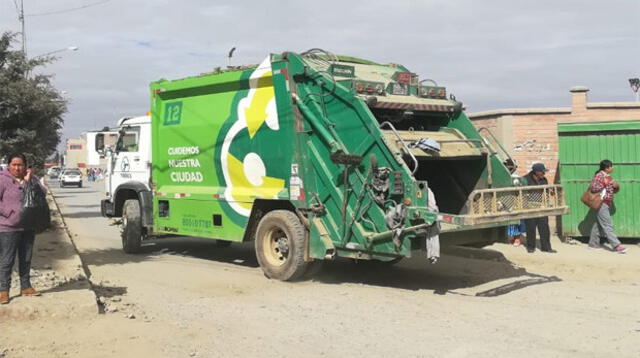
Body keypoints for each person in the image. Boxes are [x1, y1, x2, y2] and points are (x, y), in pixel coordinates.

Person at [0, 153, 44, 304]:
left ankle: (26, 287)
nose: (17, 168)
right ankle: (3, 291)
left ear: (25, 166)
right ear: (8, 166)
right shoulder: (2, 179)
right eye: (14, 164)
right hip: (8, 228)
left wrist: (29, 180)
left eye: (20, 165)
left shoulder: (32, 179)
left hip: (28, 226)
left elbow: (42, 194)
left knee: (26, 259)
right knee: (7, 260)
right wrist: (9, 213)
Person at [588, 160, 626, 253]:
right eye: (611, 166)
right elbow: (593, 188)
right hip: (601, 202)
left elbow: (612, 189)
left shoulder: (607, 176)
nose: (612, 168)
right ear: (606, 168)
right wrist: (604, 183)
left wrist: (615, 186)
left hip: (606, 202)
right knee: (607, 225)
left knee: (599, 224)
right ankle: (616, 246)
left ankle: (593, 244)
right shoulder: (599, 176)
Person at [523, 163, 555, 253]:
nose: (544, 174)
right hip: (529, 207)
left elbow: (546, 192)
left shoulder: (544, 180)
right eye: (542, 172)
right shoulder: (525, 179)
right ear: (536, 172)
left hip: (541, 206)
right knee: (530, 228)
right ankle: (531, 247)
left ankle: (546, 247)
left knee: (544, 228)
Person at [504, 159, 525, 247]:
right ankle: (512, 237)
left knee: (517, 221)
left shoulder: (515, 177)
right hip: (506, 200)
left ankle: (517, 238)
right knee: (510, 221)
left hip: (515, 201)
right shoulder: (504, 175)